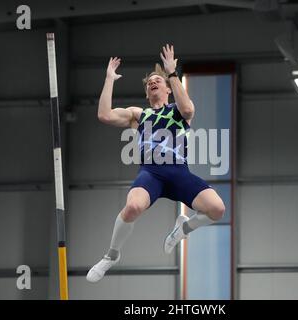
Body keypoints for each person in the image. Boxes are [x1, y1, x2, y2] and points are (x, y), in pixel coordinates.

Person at [86, 44, 225, 283]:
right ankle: (111, 256)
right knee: (132, 208)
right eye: (149, 82)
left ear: (169, 88)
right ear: (146, 93)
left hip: (179, 173)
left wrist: (172, 73)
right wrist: (109, 79)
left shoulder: (178, 110)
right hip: (151, 173)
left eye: (157, 81)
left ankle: (182, 229)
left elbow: (189, 108)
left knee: (217, 209)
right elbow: (104, 115)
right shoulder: (139, 115)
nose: (153, 82)